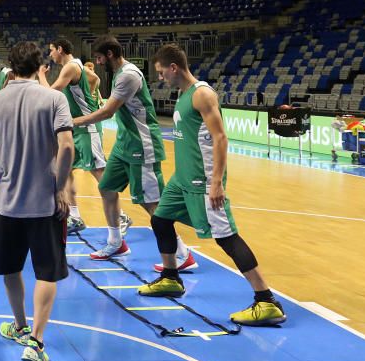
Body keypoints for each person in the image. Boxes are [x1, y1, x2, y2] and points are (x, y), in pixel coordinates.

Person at [140, 44, 286, 326]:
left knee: (226, 237)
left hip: (202, 181)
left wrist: (216, 182)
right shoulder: (182, 94)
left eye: (161, 73)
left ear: (174, 68)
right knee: (160, 220)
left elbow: (221, 138)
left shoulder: (202, 94)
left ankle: (266, 300)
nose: (160, 78)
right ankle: (171, 278)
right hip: (181, 181)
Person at [0, 41, 74, 361]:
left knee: (11, 269)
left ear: (11, 67)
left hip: (7, 204)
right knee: (47, 272)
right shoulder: (55, 98)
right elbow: (68, 147)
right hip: (45, 204)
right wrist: (60, 188)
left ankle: (20, 326)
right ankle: (37, 341)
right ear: (40, 66)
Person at [74, 35, 195, 269]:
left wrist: (74, 121)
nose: (97, 63)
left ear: (110, 54)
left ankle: (182, 253)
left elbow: (108, 112)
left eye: (99, 57)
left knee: (152, 204)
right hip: (125, 144)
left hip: (142, 145)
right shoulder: (120, 74)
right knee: (106, 187)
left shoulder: (128, 75)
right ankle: (116, 242)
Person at [38, 39, 130, 236]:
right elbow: (94, 79)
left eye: (52, 50)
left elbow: (51, 93)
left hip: (87, 128)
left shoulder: (71, 66)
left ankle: (121, 215)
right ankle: (74, 216)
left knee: (99, 173)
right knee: (66, 169)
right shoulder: (77, 65)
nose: (51, 54)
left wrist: (40, 76)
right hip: (75, 127)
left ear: (60, 49)